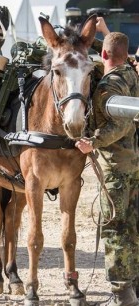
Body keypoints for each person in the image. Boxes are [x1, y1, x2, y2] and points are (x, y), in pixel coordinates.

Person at [75, 32, 139, 305]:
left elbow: (122, 122)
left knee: (115, 229)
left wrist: (93, 141)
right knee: (132, 228)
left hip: (115, 169)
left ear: (103, 54)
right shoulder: (131, 75)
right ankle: (133, 287)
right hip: (133, 164)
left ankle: (121, 293)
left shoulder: (106, 87)